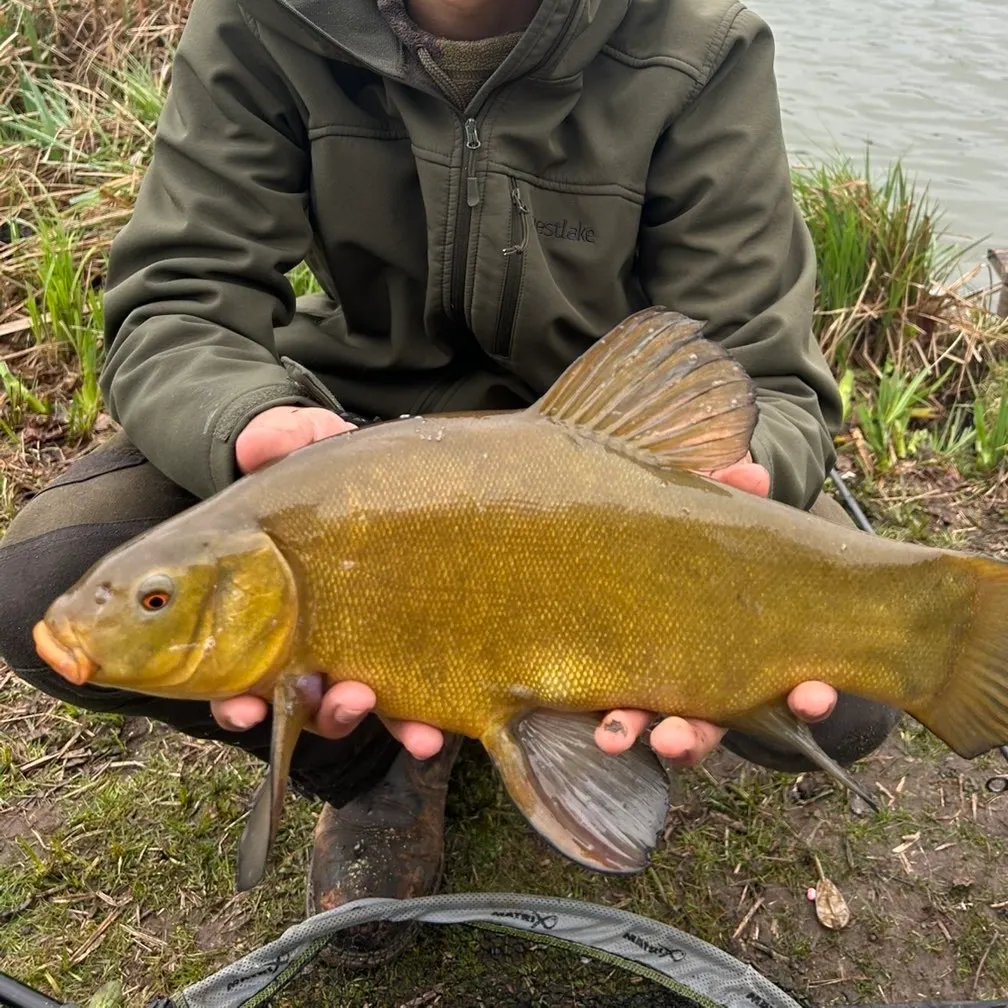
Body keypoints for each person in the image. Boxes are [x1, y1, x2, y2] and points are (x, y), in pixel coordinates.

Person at [0, 0, 899, 967]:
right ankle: (378, 762)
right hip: (350, 432)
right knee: (45, 577)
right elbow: (176, 306)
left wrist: (734, 478)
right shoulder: (260, 19)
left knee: (856, 682)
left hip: (606, 456)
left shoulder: (701, 41)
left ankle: (590, 693)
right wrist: (252, 424)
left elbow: (762, 373)